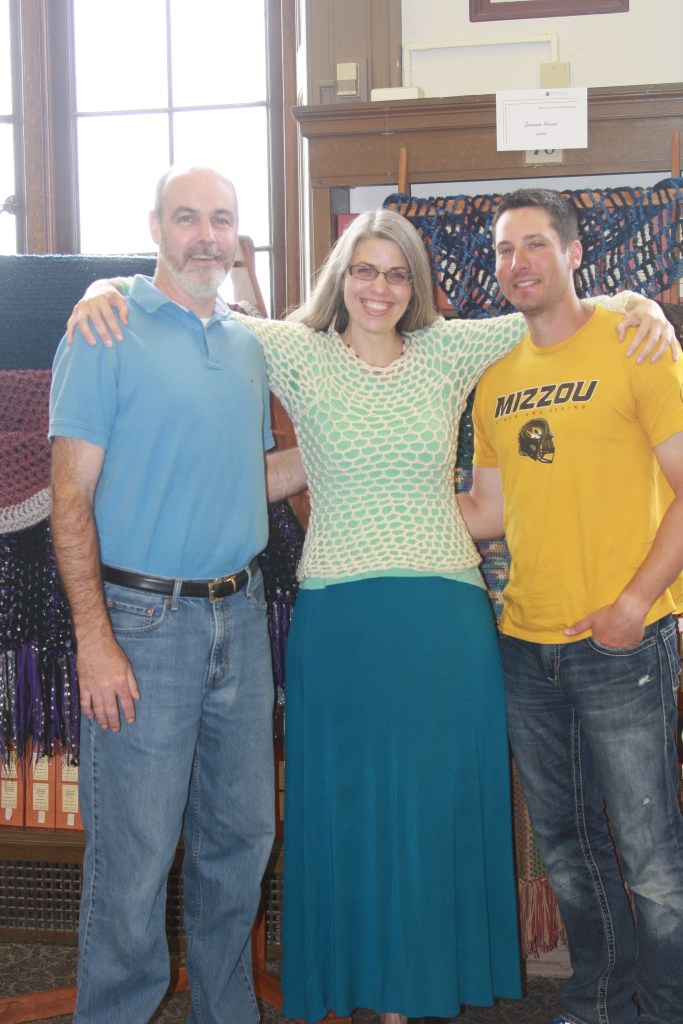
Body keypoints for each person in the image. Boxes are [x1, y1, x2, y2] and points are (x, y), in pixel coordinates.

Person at [66, 204, 675, 1024]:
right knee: (350, 816)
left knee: (432, 816)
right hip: (339, 624)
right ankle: (370, 993)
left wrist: (636, 304)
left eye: (395, 273)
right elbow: (194, 304)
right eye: (363, 270)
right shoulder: (291, 349)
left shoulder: (450, 350)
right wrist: (104, 286)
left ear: (414, 285)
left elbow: (550, 307)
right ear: (340, 278)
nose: (379, 287)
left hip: (443, 623)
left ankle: (417, 998)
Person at [49, 165, 305, 1024]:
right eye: (187, 217)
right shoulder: (105, 328)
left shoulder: (244, 345)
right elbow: (69, 497)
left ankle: (226, 1013)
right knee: (135, 859)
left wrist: (341, 452)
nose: (205, 235)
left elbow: (247, 478)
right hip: (140, 625)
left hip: (240, 614)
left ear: (239, 237)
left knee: (241, 843)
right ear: (155, 227)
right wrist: (95, 639)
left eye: (221, 219)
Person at [458, 188, 683, 1024]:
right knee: (568, 849)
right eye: (502, 250)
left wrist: (633, 603)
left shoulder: (634, 342)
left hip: (623, 642)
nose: (515, 263)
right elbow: (486, 512)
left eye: (533, 245)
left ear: (574, 253)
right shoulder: (493, 376)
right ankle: (599, 1003)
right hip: (524, 645)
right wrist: (382, 505)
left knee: (651, 856)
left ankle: (665, 1009)